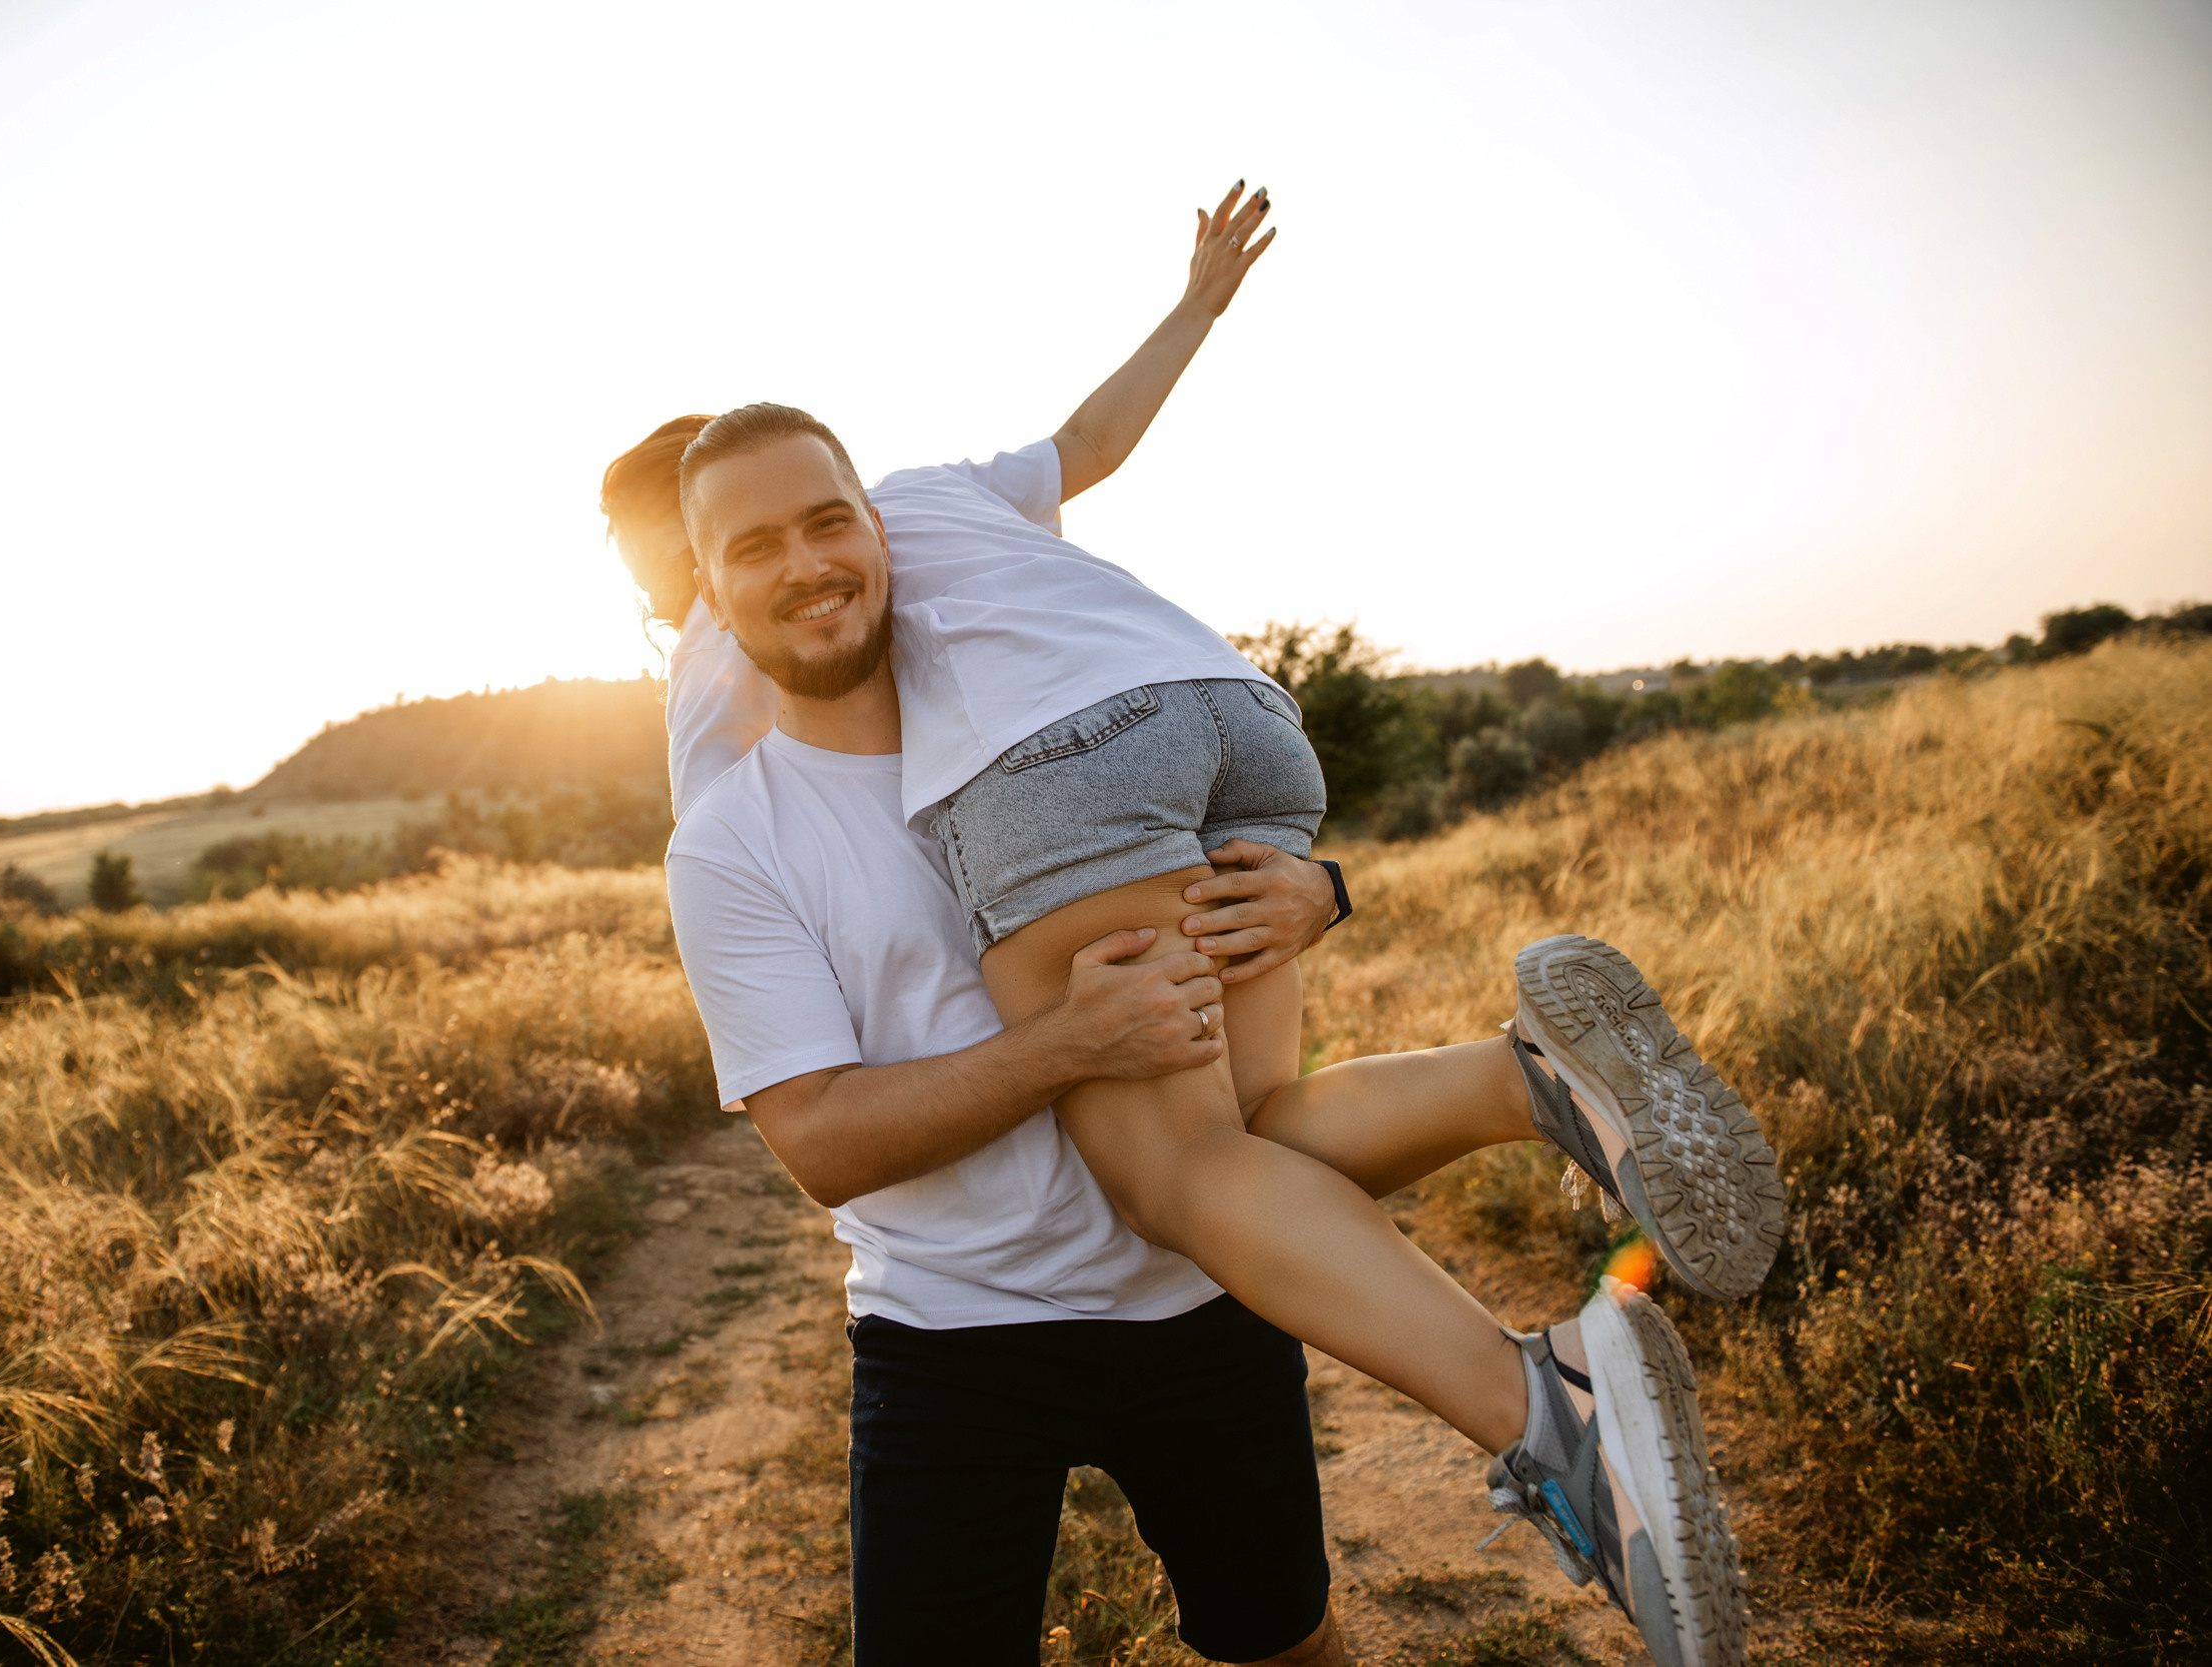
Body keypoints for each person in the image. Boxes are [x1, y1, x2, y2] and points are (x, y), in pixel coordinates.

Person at [623, 184, 1767, 1666]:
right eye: (753, 552)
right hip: (958, 1341)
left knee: (1288, 1637)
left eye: (829, 522)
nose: (809, 566)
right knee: (1249, 1133)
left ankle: (1552, 1382)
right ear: (703, 598)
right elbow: (820, 1140)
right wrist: (1068, 1042)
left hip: (1199, 1303)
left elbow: (1083, 451)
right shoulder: (736, 837)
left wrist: (1315, 892)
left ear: (875, 521)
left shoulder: (1010, 741)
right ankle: (1528, 1093)